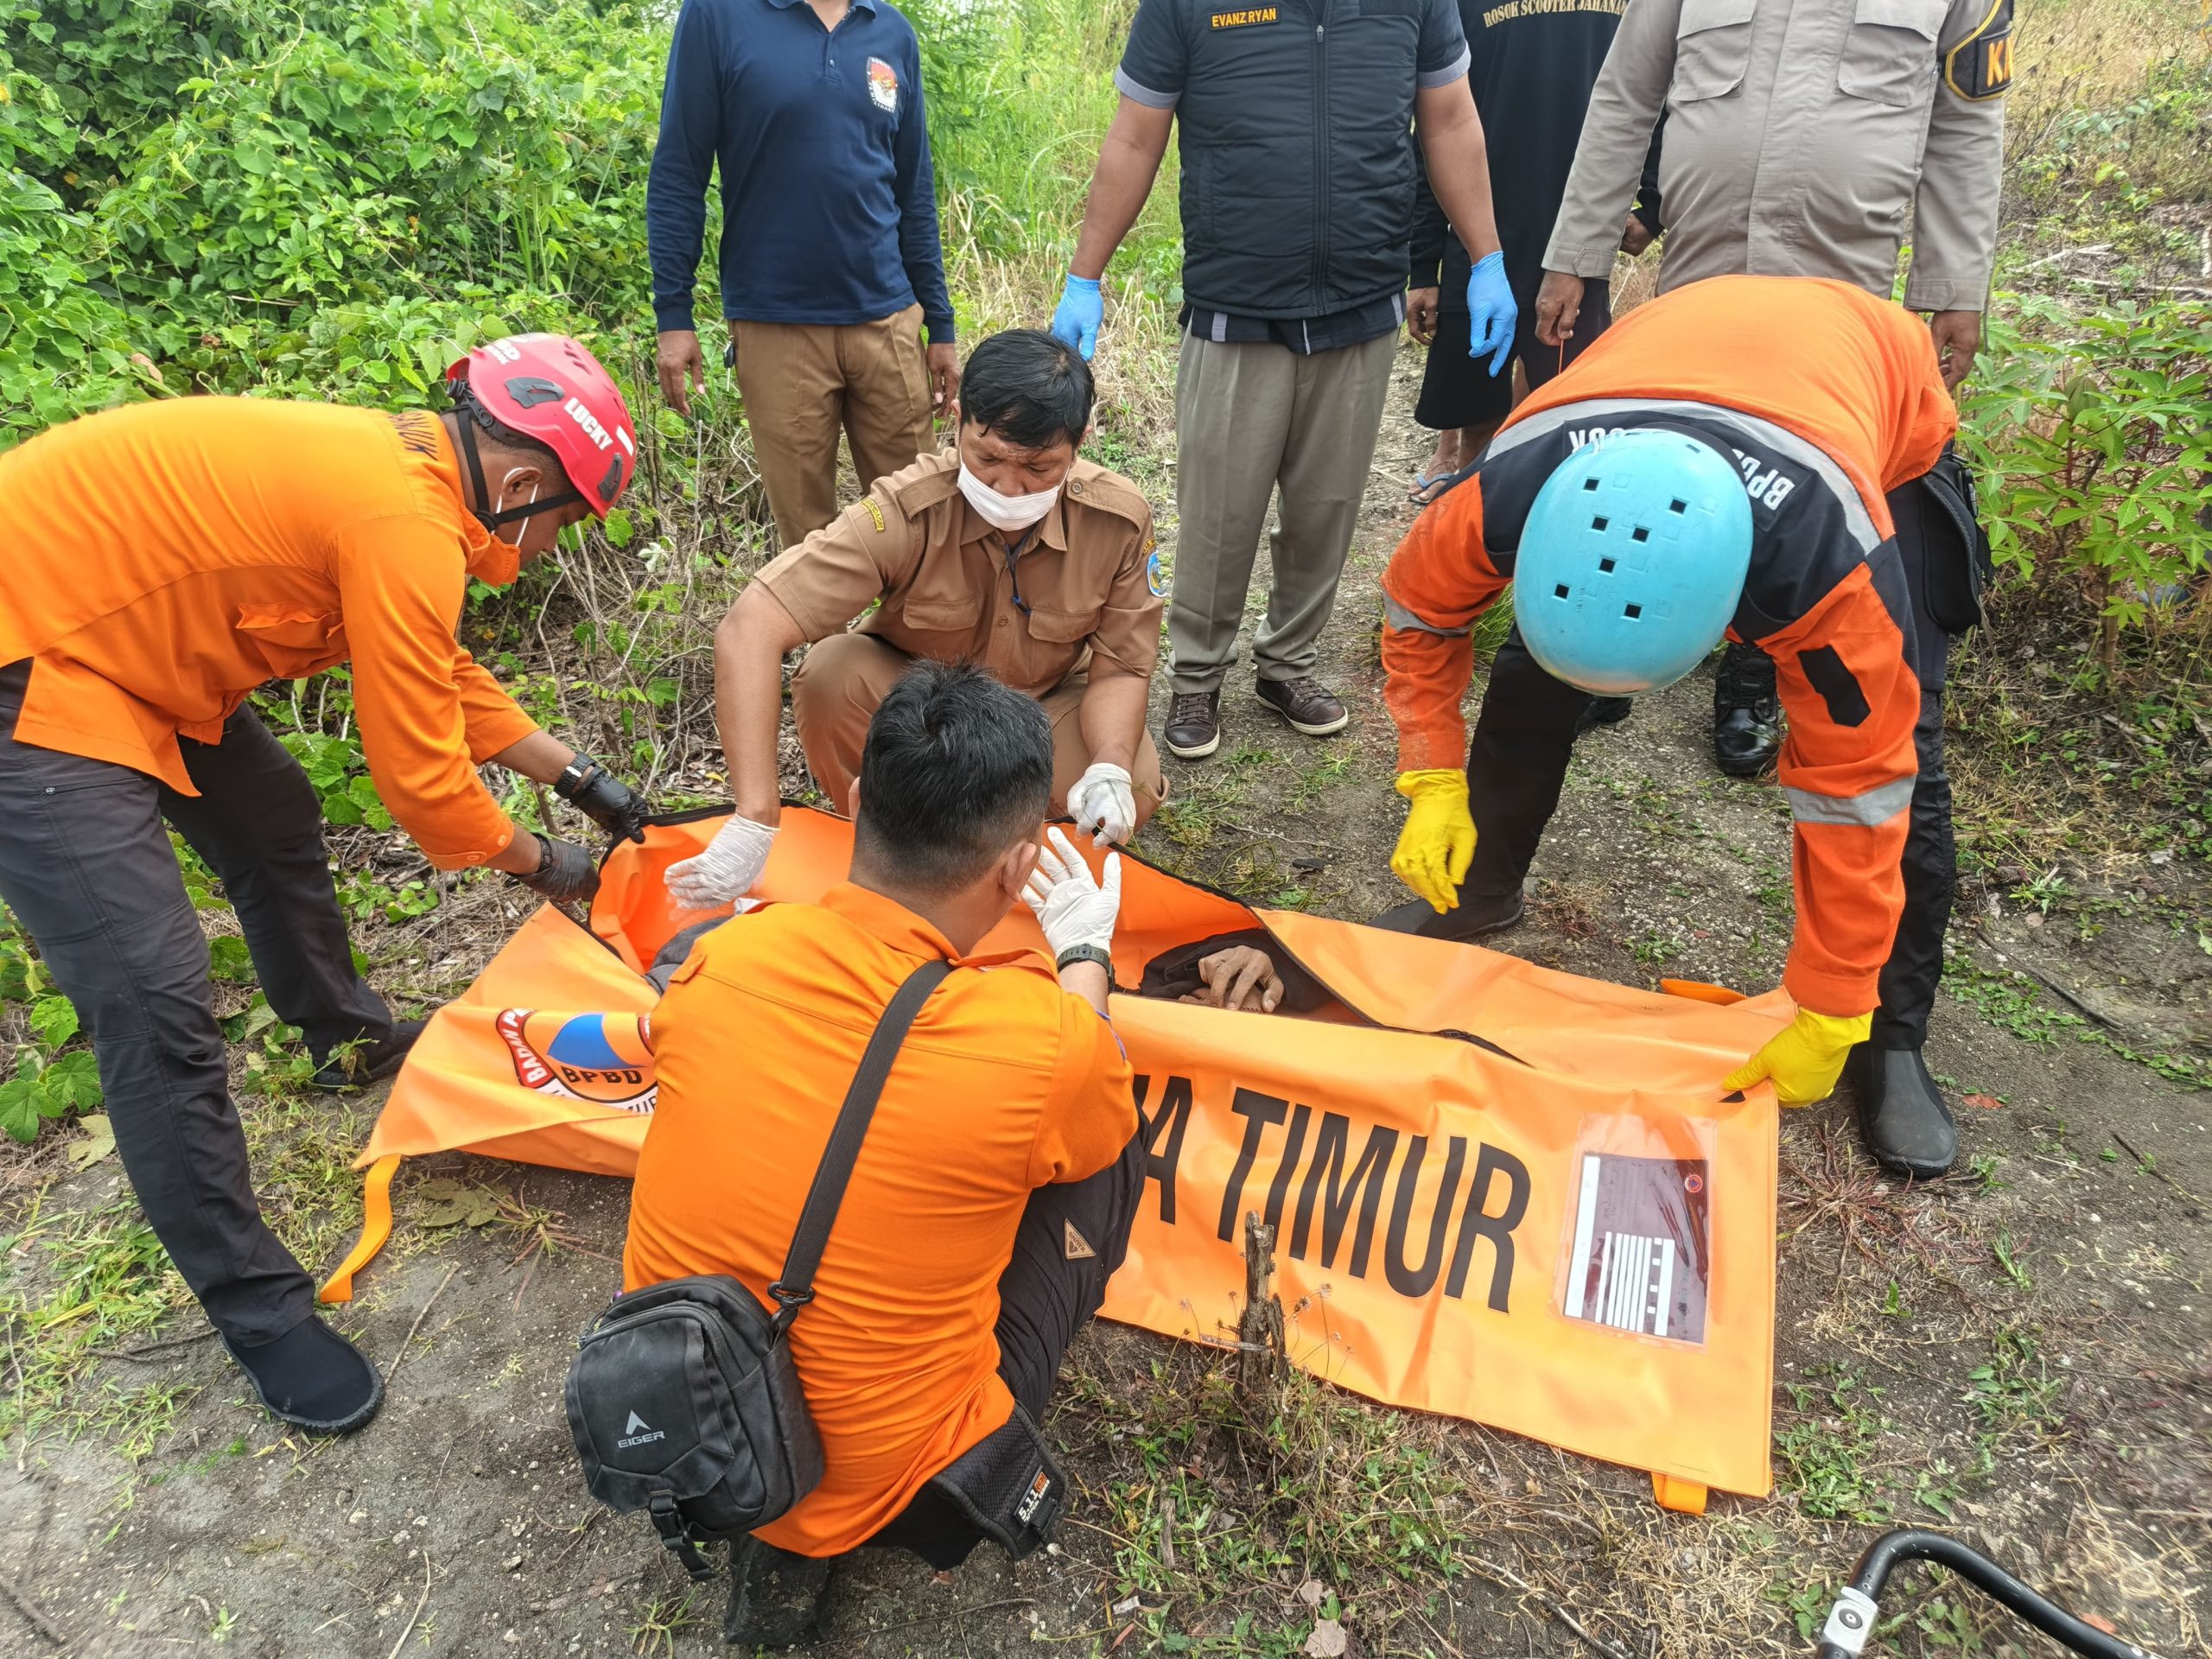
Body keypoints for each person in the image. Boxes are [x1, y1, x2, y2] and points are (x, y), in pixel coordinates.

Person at [0, 336, 654, 1434]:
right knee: (155, 1002)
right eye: (567, 522)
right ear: (529, 483)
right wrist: (549, 867)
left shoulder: (410, 488)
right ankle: (260, 1314)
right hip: (33, 659)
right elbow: (421, 780)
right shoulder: (400, 518)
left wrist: (591, 789)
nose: (550, 545)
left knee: (274, 823)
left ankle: (341, 1034)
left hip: (137, 648)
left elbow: (436, 668)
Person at [1377, 276, 1982, 1179]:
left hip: (1874, 396)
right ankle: (1481, 884)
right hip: (1670, 348)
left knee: (1905, 749)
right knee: (1529, 682)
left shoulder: (1828, 576)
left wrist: (1832, 991)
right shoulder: (1501, 495)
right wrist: (1431, 774)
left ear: (1732, 616)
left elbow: (1858, 788)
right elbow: (1419, 617)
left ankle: (1885, 1034)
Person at [623, 663, 1145, 1647]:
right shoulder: (1040, 1043)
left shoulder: (721, 959)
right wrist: (1084, 959)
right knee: (1109, 1132)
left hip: (686, 1413)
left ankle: (771, 1534)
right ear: (1019, 865)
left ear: (858, 804)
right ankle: (831, 1531)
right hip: (900, 1481)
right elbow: (1092, 1083)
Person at [1532, 0, 2012, 773]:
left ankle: (1753, 674)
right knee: (1673, 448)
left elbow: (1966, 124)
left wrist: (1955, 284)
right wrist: (1576, 253)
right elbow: (1624, 95)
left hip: (1840, 275)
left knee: (1805, 477)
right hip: (1701, 264)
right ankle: (1623, 651)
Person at [1049, 0, 1515, 761]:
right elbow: (1137, 135)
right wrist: (1085, 274)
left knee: (1326, 507)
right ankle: (1199, 672)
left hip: (1363, 300)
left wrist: (1487, 256)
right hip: (1238, 302)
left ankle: (1288, 663)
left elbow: (1452, 120)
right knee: (1219, 511)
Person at [664, 330, 1162, 916]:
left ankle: (1017, 868)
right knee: (831, 675)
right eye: (989, 457)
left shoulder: (1117, 521)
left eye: (1037, 468)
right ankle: (892, 852)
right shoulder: (906, 510)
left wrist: (1107, 763)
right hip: (927, 711)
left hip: (1042, 711)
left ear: (1079, 444)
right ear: (958, 420)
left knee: (1134, 780)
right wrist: (755, 816)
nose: (1007, 486)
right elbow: (751, 626)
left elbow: (1122, 667)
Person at [648, 0, 958, 547]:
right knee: (808, 543)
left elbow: (915, 192)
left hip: (887, 322)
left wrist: (941, 324)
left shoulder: (890, 31)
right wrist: (674, 314)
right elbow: (679, 172)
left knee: (920, 523)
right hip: (777, 327)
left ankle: (912, 636)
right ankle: (824, 639)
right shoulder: (718, 17)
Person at [1405, 0, 1663, 507]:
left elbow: (1661, 92)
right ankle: (1472, 509)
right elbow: (1437, 125)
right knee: (1475, 409)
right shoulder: (1458, 6)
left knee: (1569, 414)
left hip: (1577, 244)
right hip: (1479, 243)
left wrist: (1653, 204)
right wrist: (1422, 264)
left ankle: (1545, 517)